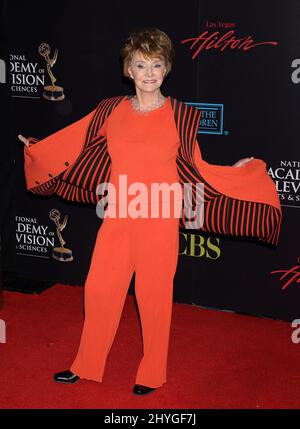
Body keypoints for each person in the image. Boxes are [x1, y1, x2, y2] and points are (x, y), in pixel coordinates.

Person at [19, 27, 282, 395]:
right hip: (119, 215)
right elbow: (73, 141)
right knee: (98, 291)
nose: (148, 73)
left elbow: (196, 167)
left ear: (166, 69)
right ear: (128, 69)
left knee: (154, 298)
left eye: (156, 64)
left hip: (160, 217)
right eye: (140, 65)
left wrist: (239, 170)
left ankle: (151, 373)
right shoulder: (109, 110)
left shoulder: (182, 115)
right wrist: (37, 150)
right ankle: (87, 365)